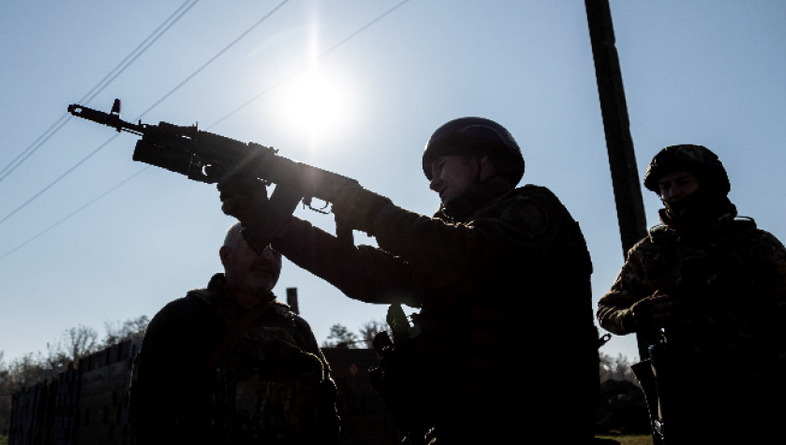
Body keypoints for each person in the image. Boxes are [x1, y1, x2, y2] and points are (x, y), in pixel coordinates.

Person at [221, 117, 600, 443]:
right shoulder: (447, 248)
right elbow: (364, 275)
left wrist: (372, 212)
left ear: (484, 161)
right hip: (464, 428)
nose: (433, 183)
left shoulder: (533, 211)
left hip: (539, 426)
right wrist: (271, 221)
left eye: (440, 167)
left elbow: (473, 255)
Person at [597, 144, 786, 444]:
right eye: (665, 186)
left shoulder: (757, 246)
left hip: (758, 399)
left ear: (708, 184)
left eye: (682, 182)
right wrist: (636, 315)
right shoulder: (650, 253)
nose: (673, 193)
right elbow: (606, 310)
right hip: (685, 404)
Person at [130, 223, 340, 445]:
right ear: (226, 256)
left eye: (277, 250)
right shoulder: (180, 320)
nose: (268, 257)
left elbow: (327, 416)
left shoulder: (297, 328)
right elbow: (148, 419)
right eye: (257, 244)